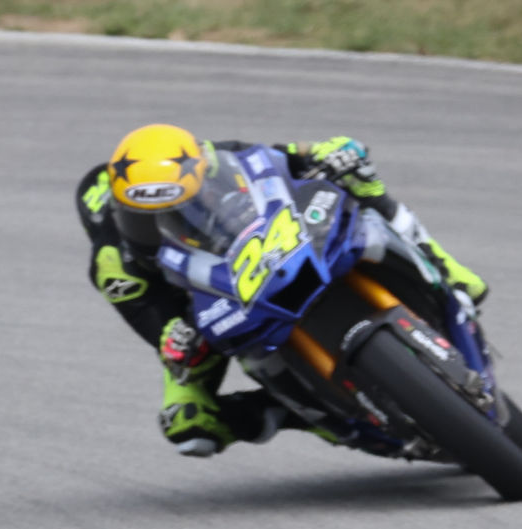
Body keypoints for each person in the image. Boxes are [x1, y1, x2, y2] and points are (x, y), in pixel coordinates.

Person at [75, 125, 489, 457]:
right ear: (120, 211)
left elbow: (281, 158)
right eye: (144, 221)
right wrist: (173, 337)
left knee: (361, 183)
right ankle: (292, 411)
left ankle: (444, 267)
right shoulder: (116, 266)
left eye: (180, 209)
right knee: (189, 426)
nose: (161, 226)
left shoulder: (214, 162)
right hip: (189, 294)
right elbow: (153, 323)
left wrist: (329, 154)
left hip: (253, 249)